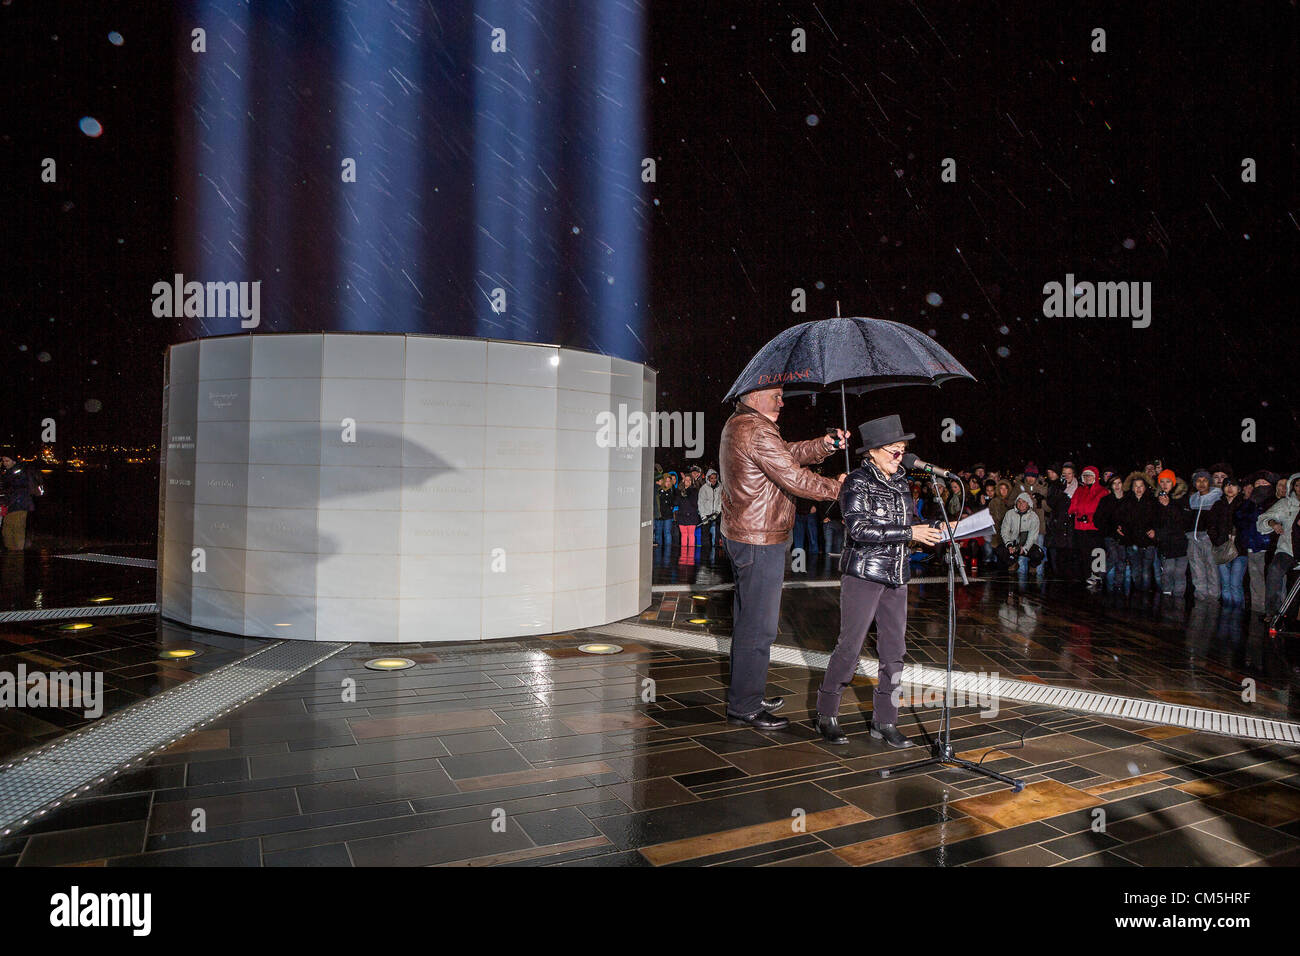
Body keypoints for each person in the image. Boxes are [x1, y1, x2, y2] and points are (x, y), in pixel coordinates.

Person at [814, 416, 951, 747]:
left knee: (895, 650)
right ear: (873, 451)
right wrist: (909, 532)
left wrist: (935, 528)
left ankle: (885, 720)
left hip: (897, 575)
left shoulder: (903, 481)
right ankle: (826, 714)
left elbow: (910, 524)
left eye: (903, 448)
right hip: (863, 574)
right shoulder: (857, 482)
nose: (899, 454)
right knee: (849, 646)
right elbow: (859, 530)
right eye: (894, 448)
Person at [719, 385, 845, 729]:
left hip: (748, 536)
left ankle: (747, 693)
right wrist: (842, 488)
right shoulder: (754, 428)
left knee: (749, 623)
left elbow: (786, 453)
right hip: (760, 540)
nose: (781, 400)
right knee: (759, 628)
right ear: (752, 396)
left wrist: (823, 445)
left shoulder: (742, 425)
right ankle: (744, 706)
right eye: (774, 394)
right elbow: (793, 477)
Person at [1258, 473, 1300, 618]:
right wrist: (1273, 523)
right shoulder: (1286, 504)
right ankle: (1271, 612)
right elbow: (1264, 518)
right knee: (1275, 569)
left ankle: (1291, 619)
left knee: (1294, 593)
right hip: (1288, 550)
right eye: (1297, 485)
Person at [1208, 477, 1247, 606]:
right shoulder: (1218, 505)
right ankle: (1226, 614)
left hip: (1239, 550)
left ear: (1239, 488)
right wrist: (1218, 541)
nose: (1230, 488)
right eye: (1227, 485)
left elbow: (1247, 525)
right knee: (1225, 584)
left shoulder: (1244, 504)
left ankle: (1237, 615)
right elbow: (1211, 525)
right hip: (1221, 548)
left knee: (1235, 584)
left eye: (1233, 485)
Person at [1117, 473, 1159, 591]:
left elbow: (1159, 519)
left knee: (1146, 571)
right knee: (1135, 570)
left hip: (1148, 542)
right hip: (1132, 542)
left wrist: (1155, 530)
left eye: (1141, 486)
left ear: (1145, 487)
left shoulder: (1152, 502)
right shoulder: (1127, 502)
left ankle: (1145, 595)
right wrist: (1119, 527)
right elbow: (1120, 518)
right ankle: (1138, 594)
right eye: (1136, 486)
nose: (1139, 488)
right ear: (1132, 487)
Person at [1186, 469, 1222, 601]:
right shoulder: (1192, 499)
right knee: (1197, 570)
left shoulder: (1217, 497)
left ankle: (1213, 598)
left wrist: (1213, 535)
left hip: (1208, 539)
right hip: (1193, 538)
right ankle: (1200, 598)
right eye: (1198, 481)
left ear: (1209, 482)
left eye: (1204, 480)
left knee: (1212, 569)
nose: (1201, 483)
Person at [1154, 469, 1191, 596]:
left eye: (1168, 481)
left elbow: (1184, 520)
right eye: (1162, 481)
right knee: (1167, 572)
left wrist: (1169, 505)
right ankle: (1167, 596)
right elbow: (1155, 520)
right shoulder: (1157, 499)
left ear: (1173, 483)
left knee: (1180, 573)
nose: (1165, 484)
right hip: (1166, 544)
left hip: (1181, 543)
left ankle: (1179, 600)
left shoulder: (1182, 497)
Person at [1068, 466, 1106, 585]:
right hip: (1080, 526)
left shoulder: (1102, 491)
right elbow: (1072, 507)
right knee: (1084, 553)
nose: (1088, 478)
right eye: (1085, 476)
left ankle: (1098, 576)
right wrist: (1078, 513)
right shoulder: (1079, 490)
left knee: (1097, 552)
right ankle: (1086, 575)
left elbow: (1098, 509)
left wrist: (1088, 515)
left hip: (1094, 527)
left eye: (1090, 475)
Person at [0, 452, 42, 551]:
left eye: (7, 461)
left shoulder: (17, 472)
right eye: (3, 460)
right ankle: (13, 553)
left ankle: (17, 554)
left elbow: (17, 489)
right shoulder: (10, 471)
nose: (5, 463)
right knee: (8, 530)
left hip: (19, 504)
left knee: (16, 530)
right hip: (13, 505)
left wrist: (6, 498)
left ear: (14, 461)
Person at [1094, 476, 1125, 590]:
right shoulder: (1106, 500)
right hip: (1110, 534)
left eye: (1119, 483)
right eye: (1114, 483)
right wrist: (1113, 528)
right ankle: (1099, 576)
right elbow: (1098, 520)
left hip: (1124, 536)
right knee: (1113, 555)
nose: (1117, 486)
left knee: (1121, 560)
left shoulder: (1128, 499)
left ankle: (1118, 585)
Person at [1000, 492, 1041, 577]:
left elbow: (1033, 535)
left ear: (1028, 503)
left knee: (1039, 554)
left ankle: (1032, 566)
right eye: (1019, 501)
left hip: (1027, 544)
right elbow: (1004, 530)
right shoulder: (1009, 514)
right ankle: (1012, 563)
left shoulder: (1034, 517)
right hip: (1013, 542)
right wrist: (1009, 544)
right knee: (999, 550)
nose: (1021, 504)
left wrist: (1025, 547)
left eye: (1024, 502)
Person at [675, 470, 702, 564]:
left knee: (691, 535)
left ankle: (690, 558)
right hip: (682, 516)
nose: (687, 482)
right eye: (685, 480)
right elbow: (676, 502)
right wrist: (681, 490)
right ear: (683, 481)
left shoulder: (694, 491)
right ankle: (683, 558)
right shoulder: (679, 491)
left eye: (689, 480)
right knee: (684, 535)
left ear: (691, 482)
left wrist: (687, 491)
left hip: (692, 515)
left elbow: (694, 503)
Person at [697, 468, 723, 560]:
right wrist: (703, 516)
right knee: (705, 534)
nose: (713, 480)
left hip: (716, 513)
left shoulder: (720, 487)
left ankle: (716, 554)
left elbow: (721, 500)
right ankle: (705, 555)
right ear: (708, 478)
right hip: (706, 514)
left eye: (715, 478)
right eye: (711, 478)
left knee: (717, 533)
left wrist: (717, 511)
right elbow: (701, 503)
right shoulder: (703, 488)